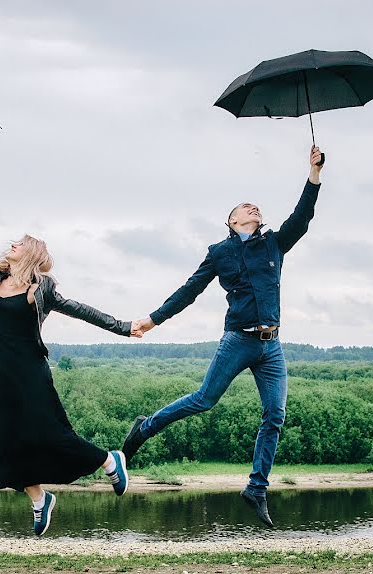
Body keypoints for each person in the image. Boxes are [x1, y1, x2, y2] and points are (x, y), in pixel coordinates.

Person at [124, 146, 324, 527]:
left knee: (275, 414)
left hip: (272, 345)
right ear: (232, 222)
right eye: (245, 207)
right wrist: (152, 320)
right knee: (204, 400)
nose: (254, 208)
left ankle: (256, 489)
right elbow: (189, 291)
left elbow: (303, 217)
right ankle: (143, 429)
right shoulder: (220, 252)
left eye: (256, 206)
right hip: (238, 340)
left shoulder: (274, 244)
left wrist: (313, 175)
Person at [0, 189, 140, 537]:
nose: (11, 245)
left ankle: (109, 460)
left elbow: (82, 310)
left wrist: (123, 327)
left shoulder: (40, 290)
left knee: (52, 436)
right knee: (9, 444)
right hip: (4, 378)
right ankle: (40, 499)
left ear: (31, 254)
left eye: (19, 243)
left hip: (32, 376)